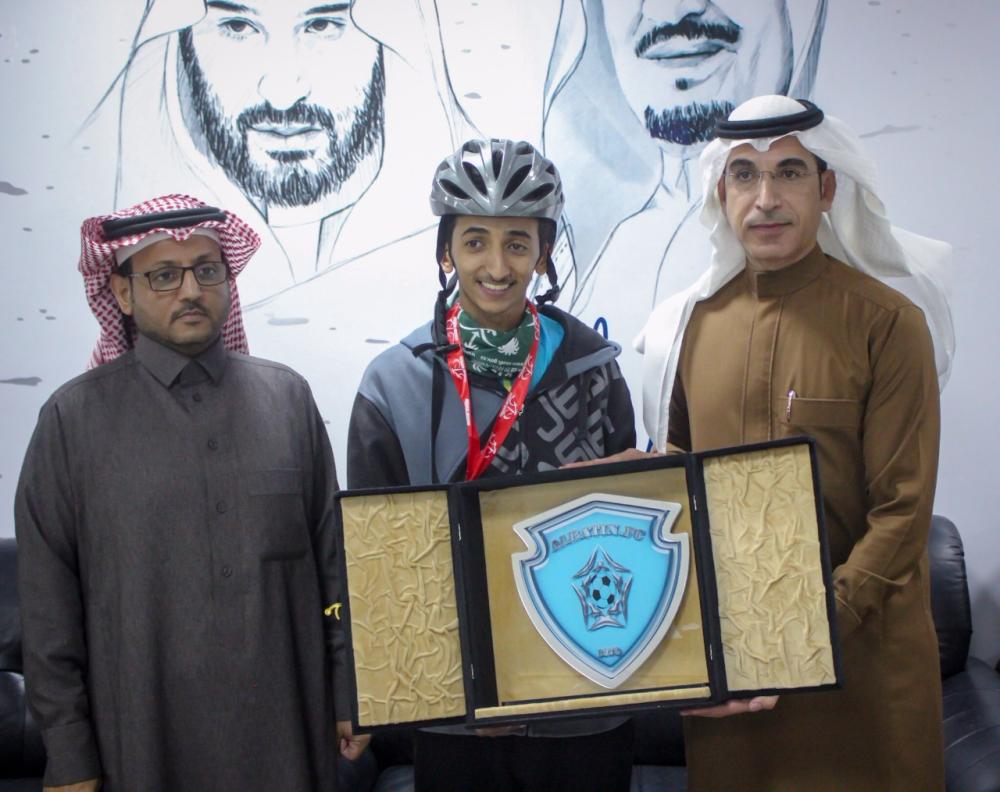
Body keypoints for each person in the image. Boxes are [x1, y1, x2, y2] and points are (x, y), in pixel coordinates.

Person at [636, 95, 954, 790]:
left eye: (789, 172)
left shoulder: (888, 324)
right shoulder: (687, 327)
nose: (766, 199)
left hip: (862, 668)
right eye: (745, 175)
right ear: (721, 194)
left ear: (827, 187)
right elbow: (677, 483)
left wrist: (805, 629)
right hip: (736, 675)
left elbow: (901, 513)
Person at [15, 195, 366, 791]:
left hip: (285, 732)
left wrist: (351, 693)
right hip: (142, 741)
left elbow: (337, 570)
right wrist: (69, 753)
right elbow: (50, 610)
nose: (190, 290)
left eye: (207, 270)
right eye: (163, 275)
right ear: (122, 293)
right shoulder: (72, 421)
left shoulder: (286, 401)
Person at [347, 139, 637, 791]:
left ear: (545, 252)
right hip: (454, 709)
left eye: (517, 243)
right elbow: (374, 561)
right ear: (445, 252)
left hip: (584, 701)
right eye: (475, 241)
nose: (497, 266)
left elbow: (625, 527)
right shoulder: (392, 383)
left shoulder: (593, 370)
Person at [548, 0, 827, 431]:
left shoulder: (878, 306)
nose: (673, 10)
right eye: (743, 174)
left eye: (789, 173)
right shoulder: (615, 254)